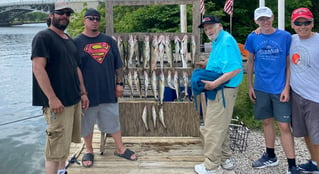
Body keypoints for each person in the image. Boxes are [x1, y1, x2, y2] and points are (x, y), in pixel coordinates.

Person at [73, 8, 137, 168]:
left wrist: (120, 84)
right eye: (90, 18)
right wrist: (81, 92)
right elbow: (74, 69)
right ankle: (89, 150)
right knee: (86, 123)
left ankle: (120, 148)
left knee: (113, 120)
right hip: (87, 94)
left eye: (97, 18)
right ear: (84, 21)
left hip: (109, 91)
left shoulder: (109, 41)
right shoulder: (76, 42)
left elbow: (118, 65)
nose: (94, 21)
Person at [31, 2, 89, 174]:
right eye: (60, 13)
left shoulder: (68, 39)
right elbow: (38, 68)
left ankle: (62, 171)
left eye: (67, 14)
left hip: (73, 100)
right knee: (54, 149)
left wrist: (83, 93)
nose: (64, 16)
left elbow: (76, 68)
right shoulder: (43, 37)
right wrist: (52, 98)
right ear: (51, 16)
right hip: (57, 103)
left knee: (64, 143)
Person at [245, 7, 299, 174]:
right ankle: (270, 155)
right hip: (261, 87)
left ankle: (292, 164)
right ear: (256, 21)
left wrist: (287, 87)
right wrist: (249, 86)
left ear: (273, 17)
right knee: (267, 122)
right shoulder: (253, 37)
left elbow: (289, 63)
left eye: (267, 18)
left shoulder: (284, 36)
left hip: (279, 88)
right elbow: (250, 62)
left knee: (284, 125)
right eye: (261, 19)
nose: (265, 22)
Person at [194, 15, 243, 174]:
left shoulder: (226, 41)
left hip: (223, 89)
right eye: (206, 28)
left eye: (211, 26)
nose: (208, 30)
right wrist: (206, 64)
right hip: (223, 90)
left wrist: (215, 83)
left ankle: (211, 166)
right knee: (221, 125)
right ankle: (225, 159)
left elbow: (235, 68)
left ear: (220, 26)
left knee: (213, 128)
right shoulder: (219, 40)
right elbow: (222, 61)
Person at [289, 7, 319, 173]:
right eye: (298, 23)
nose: (303, 26)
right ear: (292, 25)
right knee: (306, 133)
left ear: (312, 22)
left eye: (306, 22)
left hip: (316, 98)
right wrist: (258, 29)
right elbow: (269, 32)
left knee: (317, 137)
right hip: (297, 95)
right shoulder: (291, 40)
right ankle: (314, 163)